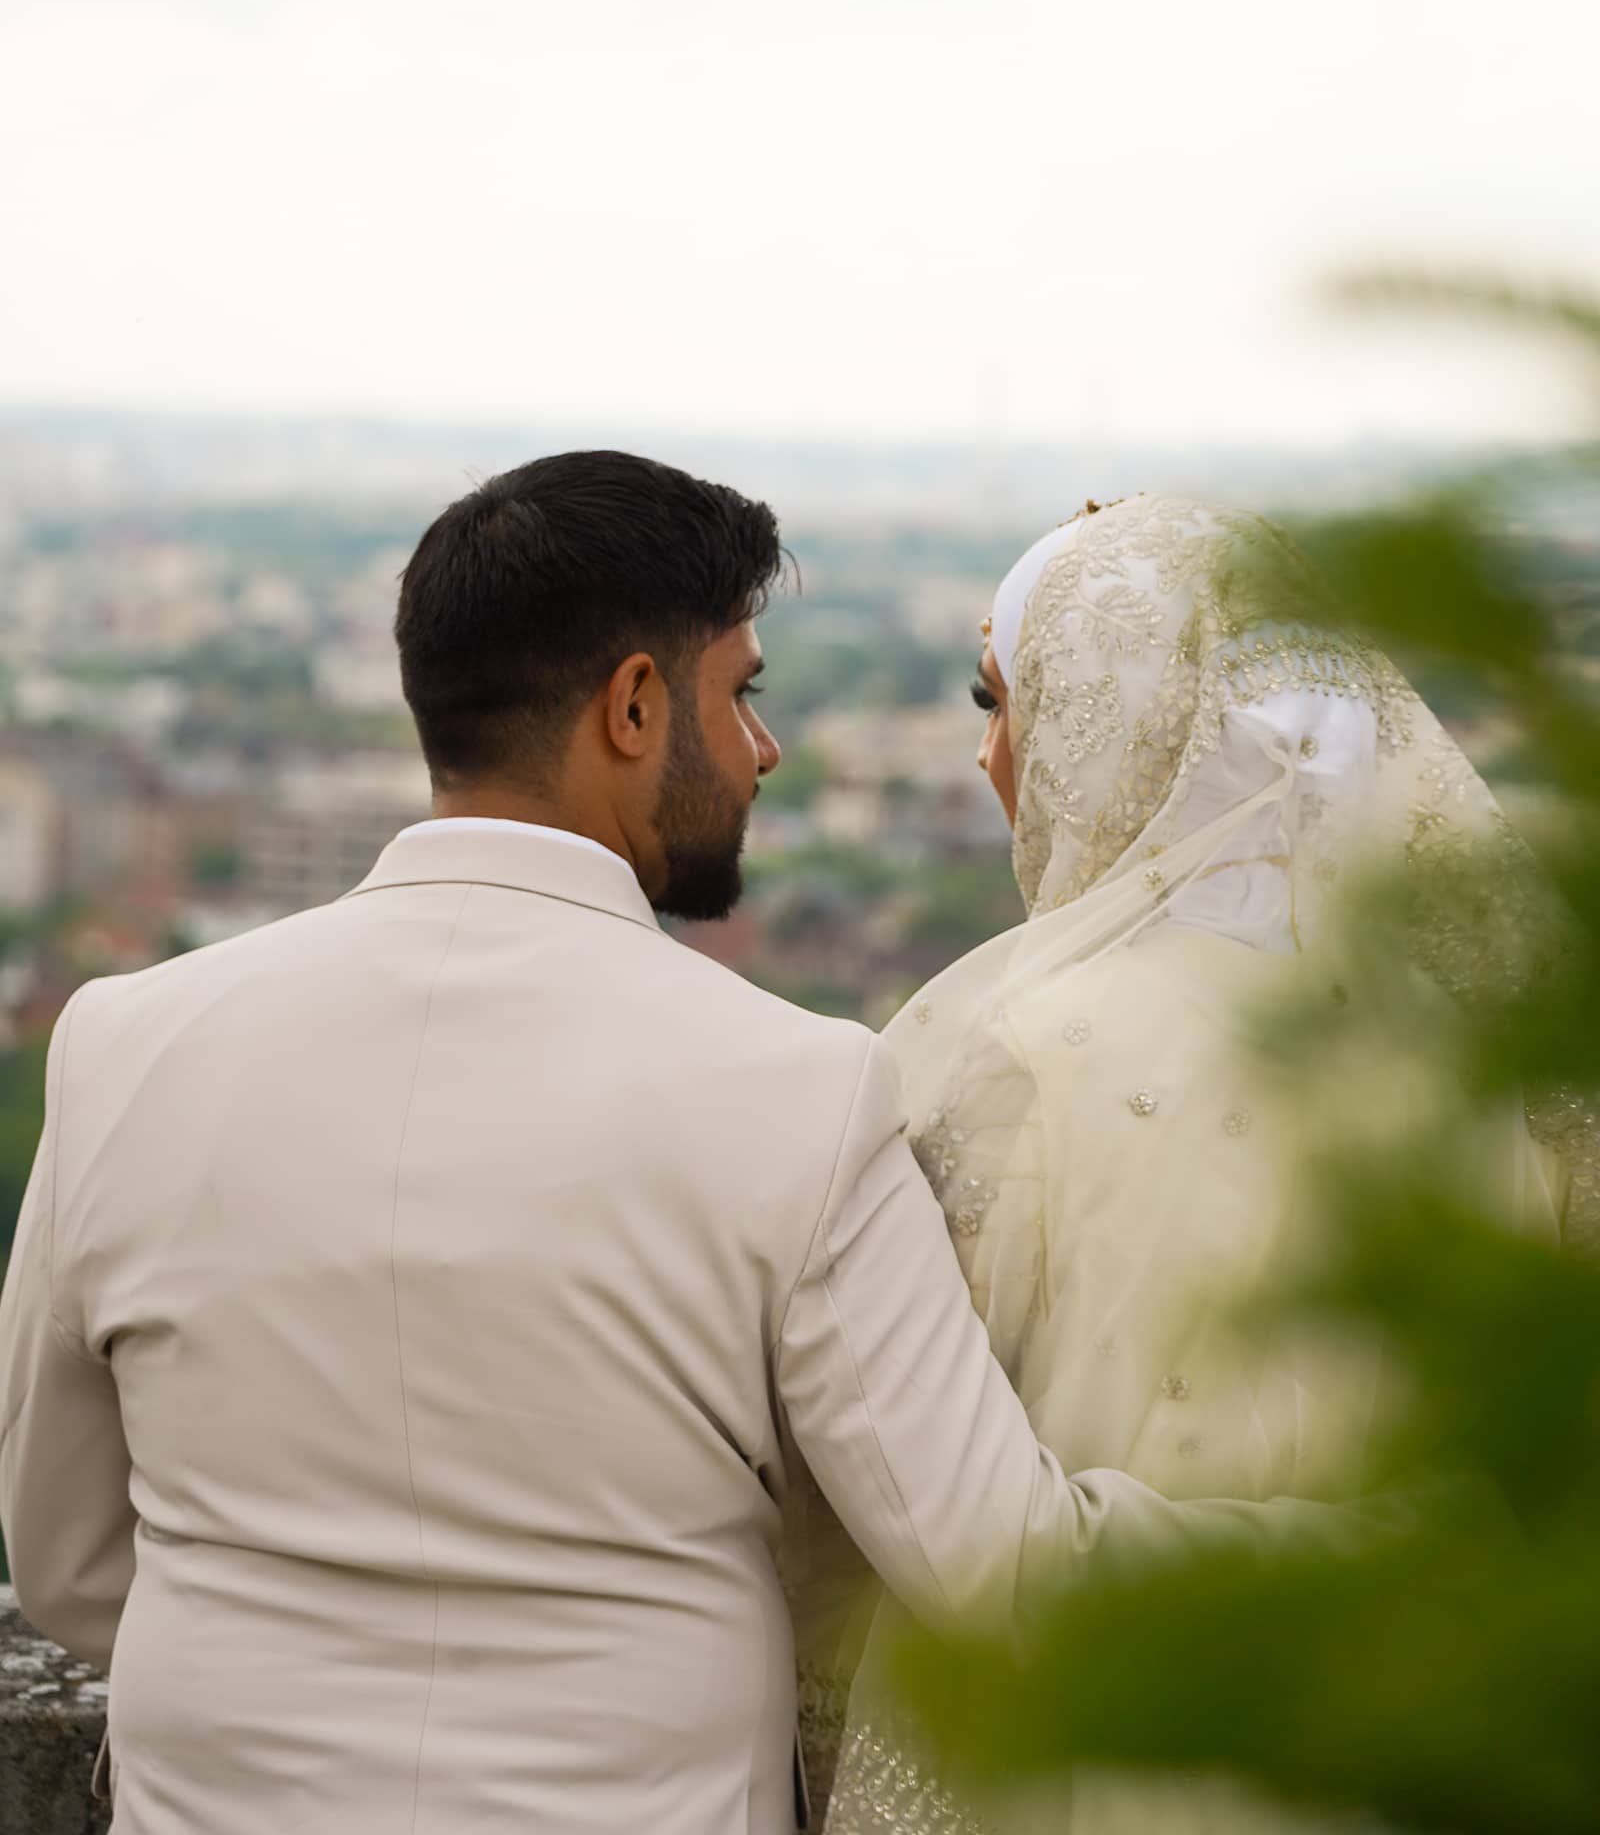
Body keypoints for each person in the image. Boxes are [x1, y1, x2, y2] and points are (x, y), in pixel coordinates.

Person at [0, 454, 1331, 1835]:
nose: (765, 749)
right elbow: (1001, 1569)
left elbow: (69, 1564)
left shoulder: (120, 1046)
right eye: (741, 692)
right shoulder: (798, 1090)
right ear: (634, 706)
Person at [814, 491, 1592, 1834]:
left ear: (1123, 725)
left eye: (1005, 701)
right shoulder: (1476, 1054)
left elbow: (895, 1483)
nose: (992, 755)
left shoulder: (1010, 1046)